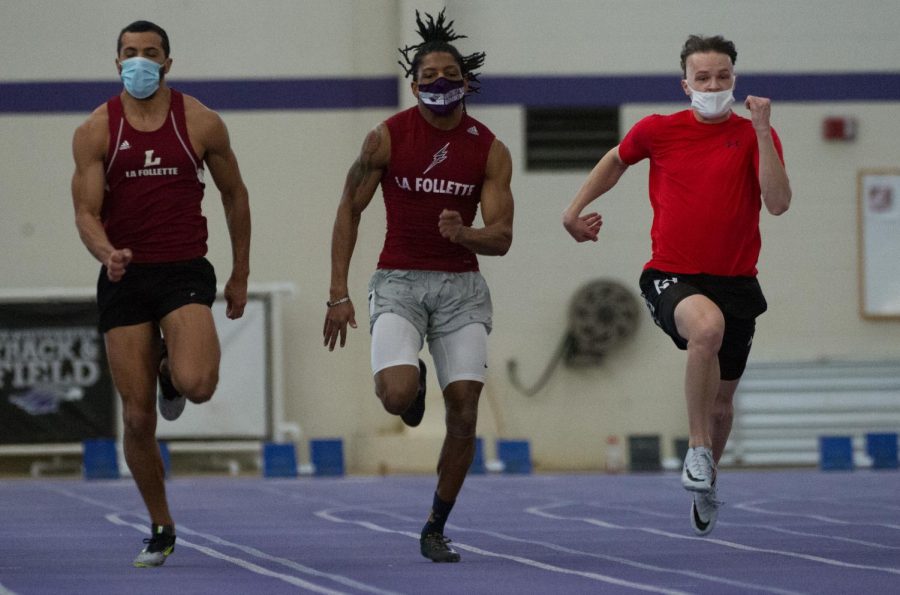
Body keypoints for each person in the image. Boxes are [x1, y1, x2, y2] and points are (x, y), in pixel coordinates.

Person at [563, 34, 791, 536]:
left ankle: (707, 477)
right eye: (703, 77)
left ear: (734, 78)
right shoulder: (659, 130)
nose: (714, 85)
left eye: (723, 76)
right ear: (685, 83)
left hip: (736, 281)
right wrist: (573, 210)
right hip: (672, 274)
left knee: (722, 404)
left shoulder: (755, 134)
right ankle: (697, 449)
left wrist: (761, 130)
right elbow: (615, 161)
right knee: (705, 330)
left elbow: (776, 203)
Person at [323, 10, 514, 563]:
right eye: (427, 74)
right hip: (400, 281)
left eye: (448, 73)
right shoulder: (386, 136)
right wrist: (339, 293)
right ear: (413, 84)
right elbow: (348, 210)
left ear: (466, 82)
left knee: (465, 412)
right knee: (396, 396)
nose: (438, 82)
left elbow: (501, 239)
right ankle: (415, 384)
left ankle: (435, 523)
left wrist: (466, 233)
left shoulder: (490, 149)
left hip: (461, 289)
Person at [71, 20, 251, 567]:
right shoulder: (96, 130)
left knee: (198, 384)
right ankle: (161, 524)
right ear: (117, 62)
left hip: (182, 270)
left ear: (169, 62)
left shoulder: (199, 122)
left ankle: (172, 372)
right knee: (137, 419)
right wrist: (107, 253)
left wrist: (241, 273)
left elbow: (234, 195)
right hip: (125, 275)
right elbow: (85, 211)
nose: (140, 61)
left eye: (151, 53)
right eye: (130, 53)